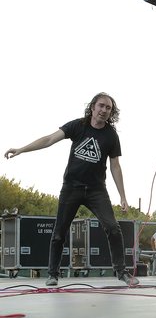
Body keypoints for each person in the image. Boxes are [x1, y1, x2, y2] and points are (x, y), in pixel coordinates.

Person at [4, 92, 138, 288]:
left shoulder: (111, 135)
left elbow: (115, 166)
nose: (104, 110)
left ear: (111, 113)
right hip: (71, 188)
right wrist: (21, 149)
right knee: (59, 232)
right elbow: (49, 139)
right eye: (101, 106)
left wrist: (123, 196)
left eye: (108, 108)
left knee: (113, 227)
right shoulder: (78, 126)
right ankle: (53, 274)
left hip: (96, 191)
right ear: (93, 107)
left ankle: (121, 272)